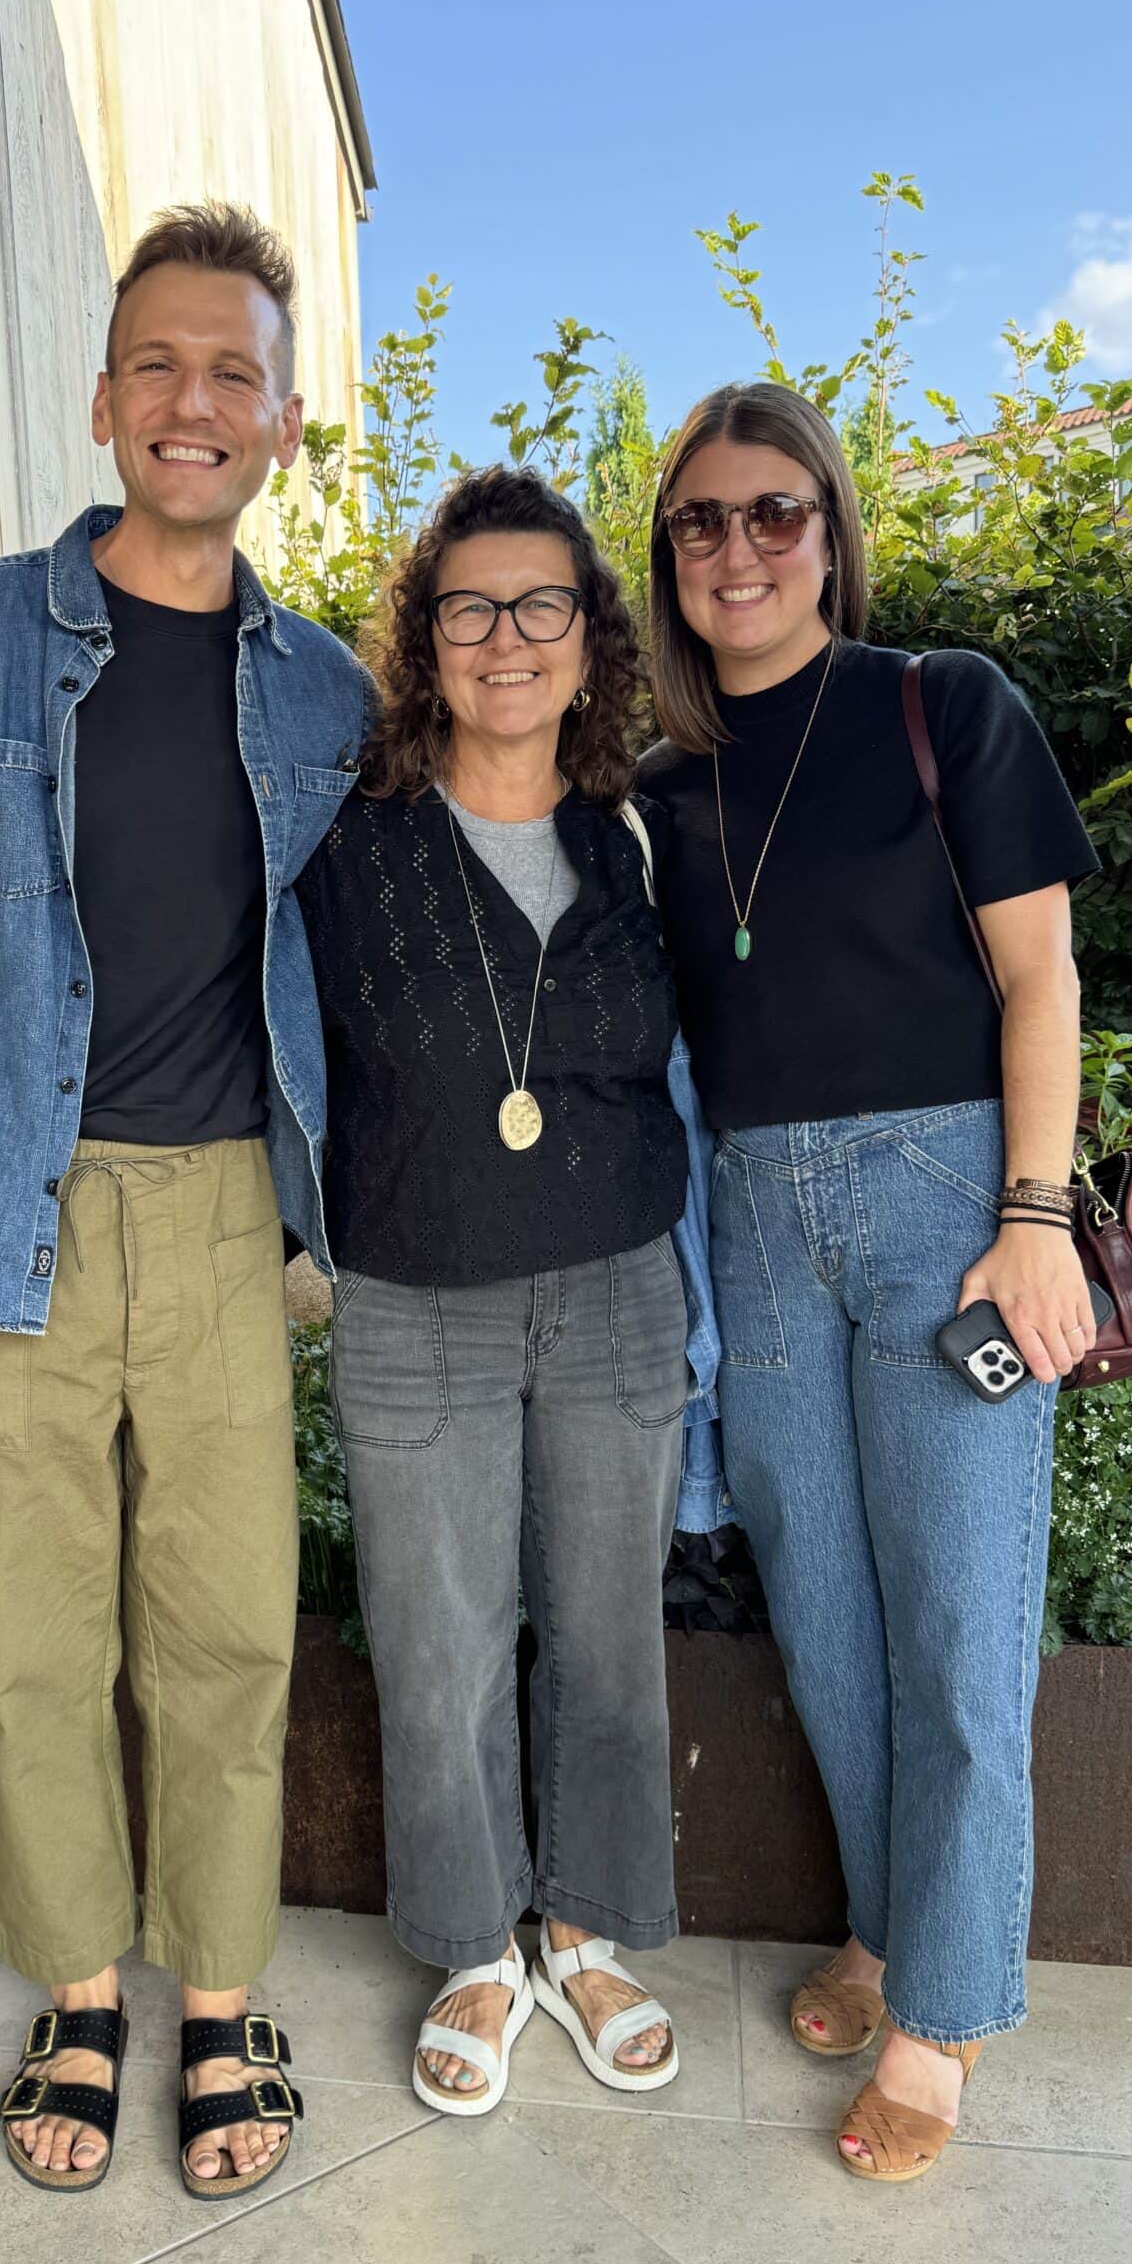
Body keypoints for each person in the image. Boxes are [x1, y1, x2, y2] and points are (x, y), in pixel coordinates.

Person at [0, 203, 369, 2199]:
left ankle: (217, 1997)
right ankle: (79, 1985)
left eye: (235, 370)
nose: (193, 400)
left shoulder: (322, 691)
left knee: (227, 1634)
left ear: (283, 423)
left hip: (227, 1218)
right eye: (161, 362)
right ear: (103, 395)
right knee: (33, 1639)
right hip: (0, 1219)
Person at [634, 381, 1100, 2183]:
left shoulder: (941, 705)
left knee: (961, 1630)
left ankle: (944, 2021)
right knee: (826, 1620)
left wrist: (1035, 1216)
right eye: (699, 522)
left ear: (828, 528)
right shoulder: (663, 789)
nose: (736, 548)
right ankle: (894, 1927)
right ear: (667, 559)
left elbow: (1041, 978)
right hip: (755, 1224)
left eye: (772, 513)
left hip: (944, 1204)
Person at [296, 465, 722, 2116]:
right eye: (467, 606)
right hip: (416, 1299)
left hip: (616, 1289)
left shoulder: (639, 836)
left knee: (611, 1637)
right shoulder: (349, 842)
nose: (506, 638)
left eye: (543, 604)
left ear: (591, 637)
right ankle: (478, 1947)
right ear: (423, 638)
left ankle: (590, 1928)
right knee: (441, 1643)